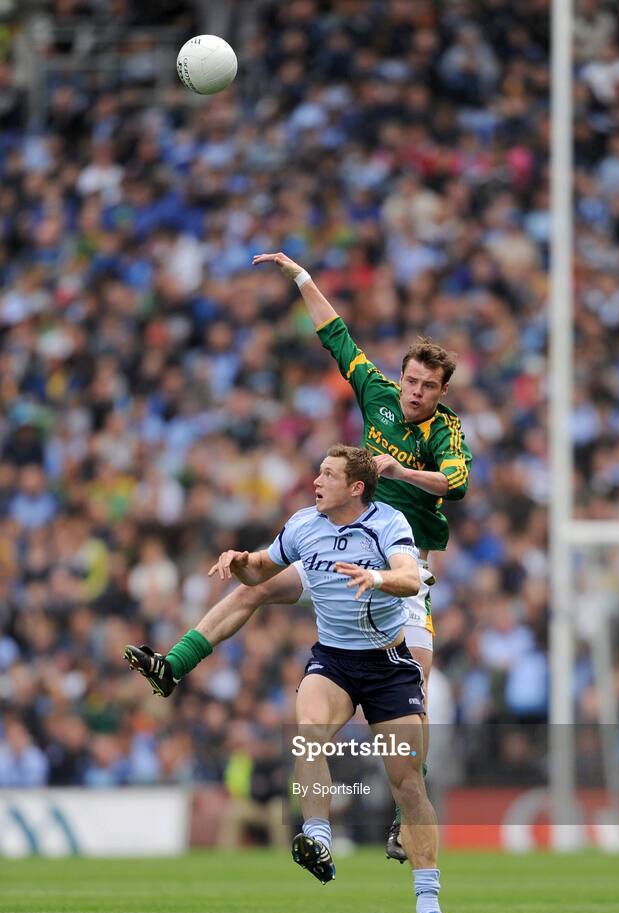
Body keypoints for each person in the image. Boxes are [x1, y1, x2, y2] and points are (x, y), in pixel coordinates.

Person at [124, 253, 472, 862]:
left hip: (395, 568)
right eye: (411, 380)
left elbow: (456, 482)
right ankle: (172, 666)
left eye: (427, 387)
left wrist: (402, 472)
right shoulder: (380, 396)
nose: (415, 393)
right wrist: (303, 279)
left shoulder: (445, 430)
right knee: (254, 582)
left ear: (442, 392)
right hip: (336, 545)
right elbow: (336, 337)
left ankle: (402, 815)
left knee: (413, 681)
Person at [207, 446, 452, 913]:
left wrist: (375, 577)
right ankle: (317, 836)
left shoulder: (388, 523)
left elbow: (410, 578)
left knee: (408, 784)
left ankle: (429, 904)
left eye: (327, 474)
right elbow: (262, 570)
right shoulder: (303, 523)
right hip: (335, 661)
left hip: (388, 665)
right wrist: (240, 561)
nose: (316, 480)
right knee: (308, 732)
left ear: (355, 488)